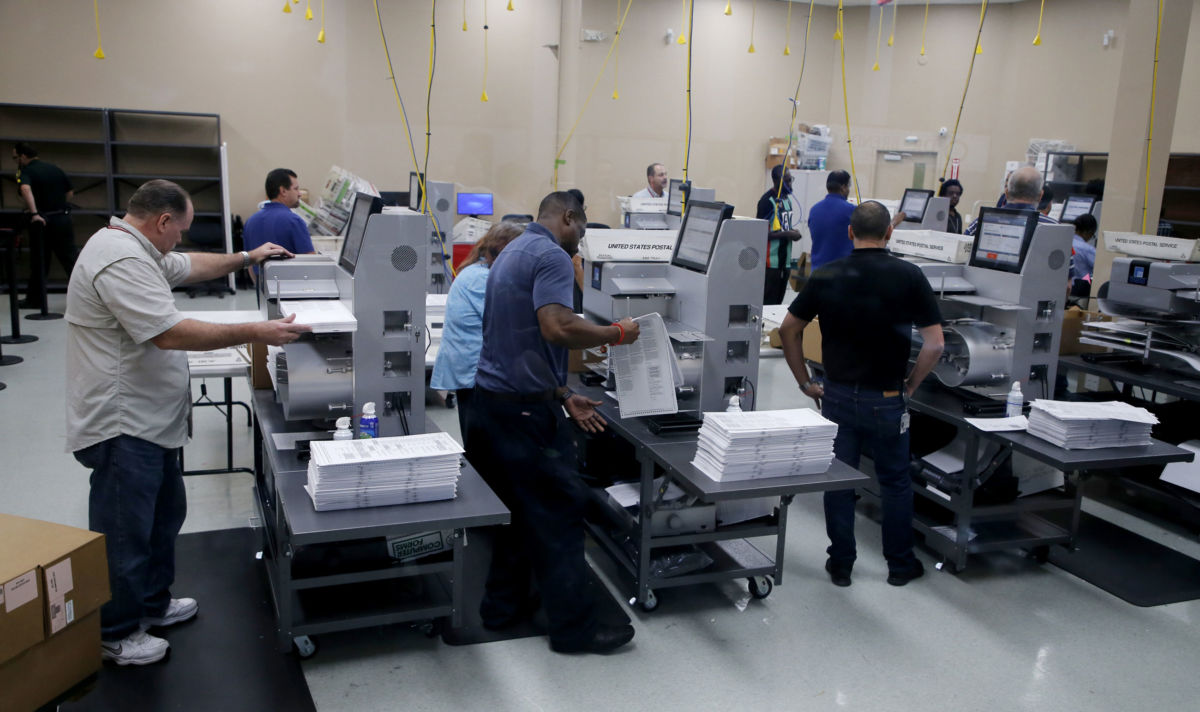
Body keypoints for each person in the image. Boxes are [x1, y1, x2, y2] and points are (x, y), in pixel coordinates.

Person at [66, 179, 311, 666]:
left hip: (150, 420)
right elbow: (169, 333)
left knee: (162, 517)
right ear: (161, 222)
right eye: (179, 230)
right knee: (124, 533)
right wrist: (258, 331)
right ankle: (115, 631)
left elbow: (189, 265)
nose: (180, 240)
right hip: (122, 424)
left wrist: (247, 257)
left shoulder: (140, 248)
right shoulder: (118, 259)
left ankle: (152, 604)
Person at [471, 191, 639, 654]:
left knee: (520, 515)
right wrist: (617, 334)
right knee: (561, 516)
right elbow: (557, 328)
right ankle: (575, 631)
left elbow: (515, 339)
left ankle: (501, 610)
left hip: (495, 403)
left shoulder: (513, 250)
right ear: (568, 217)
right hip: (523, 414)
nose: (579, 242)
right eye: (581, 230)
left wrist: (563, 393)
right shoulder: (551, 255)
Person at [778, 201, 944, 588]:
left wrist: (805, 382)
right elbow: (934, 345)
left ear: (850, 233)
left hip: (836, 396)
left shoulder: (828, 274)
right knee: (895, 482)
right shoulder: (910, 275)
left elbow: (788, 329)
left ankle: (841, 565)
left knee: (839, 481)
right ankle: (900, 566)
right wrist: (911, 385)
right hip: (887, 397)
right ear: (889, 233)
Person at [430, 222, 523, 441]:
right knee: (484, 448)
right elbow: (514, 322)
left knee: (481, 443)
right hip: (476, 375)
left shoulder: (479, 271)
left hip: (475, 372)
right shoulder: (483, 279)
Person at [12, 142, 77, 309]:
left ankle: (35, 300)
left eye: (15, 158)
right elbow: (70, 192)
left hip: (42, 221)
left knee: (40, 262)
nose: (16, 161)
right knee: (71, 260)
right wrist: (62, 206)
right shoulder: (54, 168)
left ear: (23, 156)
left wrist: (34, 213)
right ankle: (88, 299)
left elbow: (25, 189)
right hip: (62, 219)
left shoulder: (26, 171)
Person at [242, 168, 315, 279]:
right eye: (296, 189)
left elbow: (250, 264)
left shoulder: (250, 222)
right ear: (283, 191)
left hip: (263, 291)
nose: (299, 194)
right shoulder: (294, 221)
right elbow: (311, 264)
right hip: (293, 290)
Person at [756, 164, 803, 305]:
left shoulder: (786, 200)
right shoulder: (767, 201)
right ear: (777, 181)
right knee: (768, 305)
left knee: (778, 305)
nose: (790, 184)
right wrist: (787, 234)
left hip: (785, 261)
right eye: (787, 180)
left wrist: (793, 232)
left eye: (791, 180)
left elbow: (783, 226)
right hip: (771, 264)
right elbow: (759, 233)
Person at [966, 165, 1058, 236]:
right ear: (1040, 196)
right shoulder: (1054, 229)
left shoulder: (980, 223)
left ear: (1006, 193)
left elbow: (959, 253)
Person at [807, 170, 855, 269]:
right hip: (841, 274)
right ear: (843, 187)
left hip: (817, 273)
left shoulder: (814, 210)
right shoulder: (851, 210)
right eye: (848, 187)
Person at [1070, 213, 1098, 291]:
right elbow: (1099, 269)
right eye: (1092, 235)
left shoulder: (1064, 241)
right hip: (1080, 290)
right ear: (1087, 231)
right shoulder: (1087, 249)